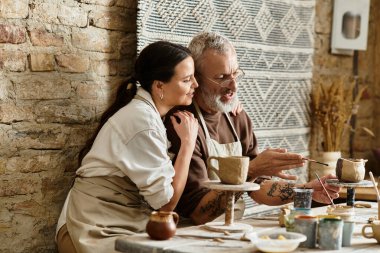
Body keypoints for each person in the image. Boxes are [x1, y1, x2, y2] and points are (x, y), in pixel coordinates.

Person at [164, 32, 341, 225]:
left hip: (232, 228)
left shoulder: (236, 116)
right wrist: (252, 169)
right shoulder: (182, 124)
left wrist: (307, 190)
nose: (234, 86)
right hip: (191, 234)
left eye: (235, 74)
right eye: (222, 77)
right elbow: (199, 213)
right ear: (195, 79)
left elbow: (258, 188)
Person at [55, 41, 199, 253]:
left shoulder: (150, 115)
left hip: (126, 222)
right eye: (187, 79)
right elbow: (165, 204)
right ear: (159, 86)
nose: (196, 84)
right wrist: (188, 145)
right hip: (90, 228)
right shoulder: (143, 122)